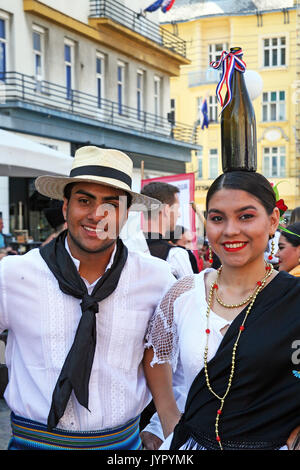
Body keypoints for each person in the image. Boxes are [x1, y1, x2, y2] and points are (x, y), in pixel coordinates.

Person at [0, 146, 176, 450]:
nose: (97, 215)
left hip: (124, 448)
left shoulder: (157, 278)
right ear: (66, 206)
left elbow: (171, 360)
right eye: (85, 201)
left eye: (111, 204)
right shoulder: (13, 274)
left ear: (125, 214)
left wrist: (162, 429)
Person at [143, 170, 300, 451]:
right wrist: (169, 420)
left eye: (246, 216)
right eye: (217, 218)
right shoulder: (184, 293)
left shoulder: (293, 298)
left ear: (273, 220)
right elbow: (155, 353)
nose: (230, 230)